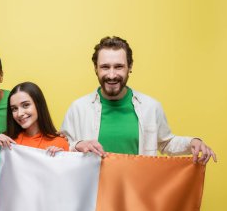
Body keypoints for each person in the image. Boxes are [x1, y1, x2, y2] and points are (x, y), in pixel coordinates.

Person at [61, 36, 216, 164]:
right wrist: (78, 145)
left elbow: (166, 143)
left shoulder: (151, 107)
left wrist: (192, 142)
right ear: (96, 68)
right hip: (93, 196)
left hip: (136, 194)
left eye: (119, 66)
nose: (112, 74)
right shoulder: (78, 108)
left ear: (130, 67)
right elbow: (61, 148)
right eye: (105, 67)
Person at [0, 82, 69, 156]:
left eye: (26, 105)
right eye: (14, 109)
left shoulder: (59, 143)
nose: (19, 113)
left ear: (38, 104)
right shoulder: (7, 142)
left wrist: (58, 159)